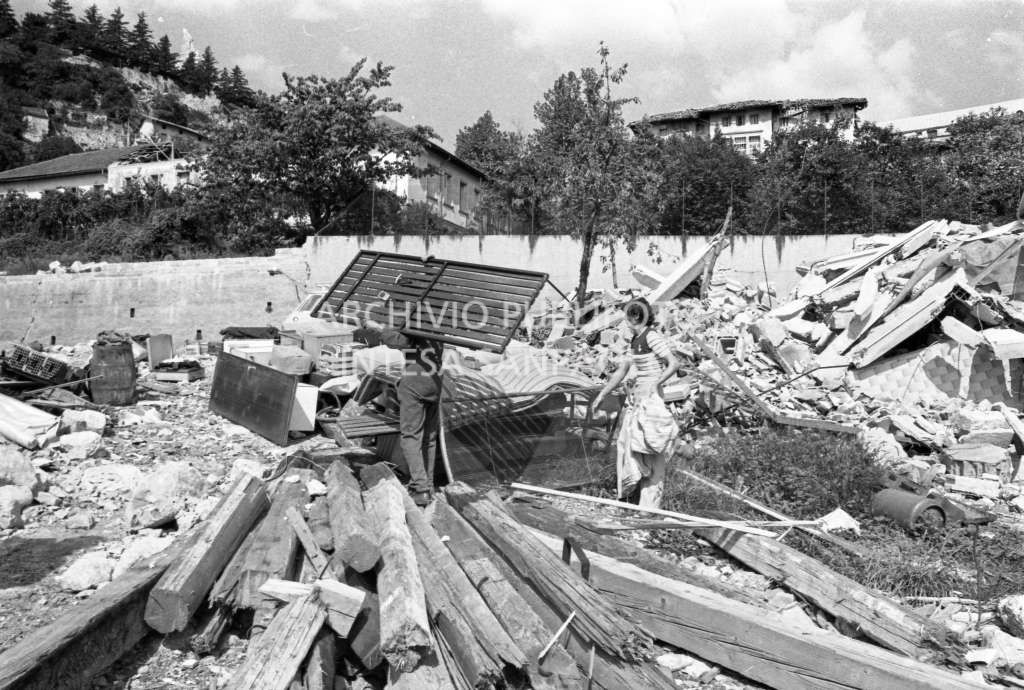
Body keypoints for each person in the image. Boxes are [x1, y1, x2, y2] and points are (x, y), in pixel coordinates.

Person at [591, 298, 680, 509]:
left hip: (651, 402)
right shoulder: (635, 340)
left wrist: (654, 383)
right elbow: (622, 370)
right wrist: (603, 393)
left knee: (651, 451)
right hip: (637, 401)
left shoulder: (651, 337)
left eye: (627, 316)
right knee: (630, 448)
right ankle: (633, 500)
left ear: (636, 316)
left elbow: (674, 363)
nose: (624, 321)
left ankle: (648, 509)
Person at [362, 317, 444, 506]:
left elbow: (401, 341)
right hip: (435, 382)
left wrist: (378, 328)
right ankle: (428, 485)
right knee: (429, 437)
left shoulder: (417, 314)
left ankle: (420, 489)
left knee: (410, 436)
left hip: (415, 381)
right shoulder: (439, 317)